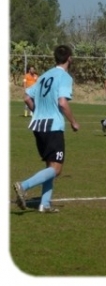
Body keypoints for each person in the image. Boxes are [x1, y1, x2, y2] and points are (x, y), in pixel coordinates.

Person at [13, 45, 80, 213]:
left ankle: (45, 204)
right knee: (56, 169)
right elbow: (62, 102)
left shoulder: (44, 75)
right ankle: (23, 186)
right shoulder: (64, 77)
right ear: (69, 58)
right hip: (53, 126)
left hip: (38, 126)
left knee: (50, 166)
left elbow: (27, 97)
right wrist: (73, 122)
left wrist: (38, 112)